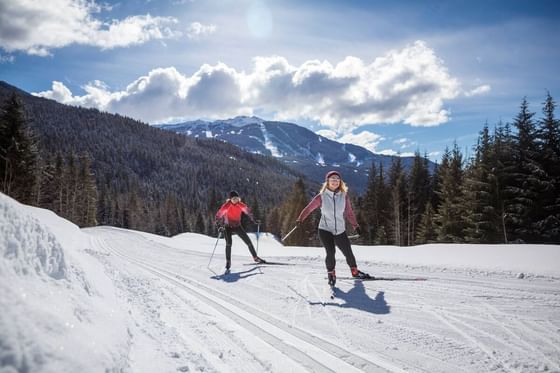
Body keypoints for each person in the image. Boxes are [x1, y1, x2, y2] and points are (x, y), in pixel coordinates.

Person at [296, 171, 371, 286]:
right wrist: (300, 219)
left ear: (340, 182)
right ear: (327, 182)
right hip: (325, 230)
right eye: (332, 179)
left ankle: (355, 271)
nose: (335, 181)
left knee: (348, 253)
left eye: (337, 179)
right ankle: (331, 273)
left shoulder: (344, 196)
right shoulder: (321, 197)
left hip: (340, 230)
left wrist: (356, 226)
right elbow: (309, 208)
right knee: (331, 252)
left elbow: (349, 213)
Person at [215, 190, 266, 270]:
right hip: (227, 227)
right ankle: (228, 261)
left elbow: (248, 212)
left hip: (237, 226)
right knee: (229, 244)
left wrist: (254, 220)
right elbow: (218, 216)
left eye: (236, 198)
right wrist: (219, 226)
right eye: (233, 198)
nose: (235, 200)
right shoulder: (226, 206)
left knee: (248, 242)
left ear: (239, 198)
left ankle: (255, 258)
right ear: (230, 199)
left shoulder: (241, 205)